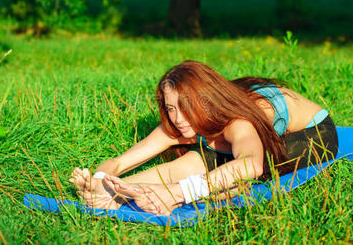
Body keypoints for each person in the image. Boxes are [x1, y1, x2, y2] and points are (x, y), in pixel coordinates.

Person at [70, 60, 338, 215]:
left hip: (314, 133)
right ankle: (118, 196)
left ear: (205, 103)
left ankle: (181, 196)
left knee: (241, 174)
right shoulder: (182, 123)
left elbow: (251, 165)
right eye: (170, 108)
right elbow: (118, 163)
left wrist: (178, 193)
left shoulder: (238, 122)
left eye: (185, 107)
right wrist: (101, 183)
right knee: (187, 165)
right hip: (253, 137)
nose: (177, 118)